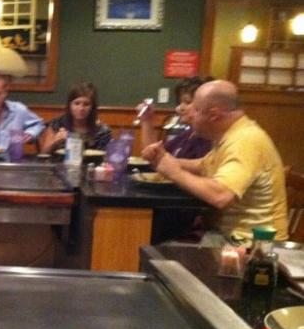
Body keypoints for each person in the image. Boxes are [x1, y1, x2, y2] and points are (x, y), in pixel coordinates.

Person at [142, 80, 289, 244]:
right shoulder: (233, 134)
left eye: (196, 109)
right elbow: (203, 165)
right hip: (226, 236)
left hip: (251, 244)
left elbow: (221, 196)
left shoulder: (245, 140)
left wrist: (174, 172)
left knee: (153, 246)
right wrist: (164, 159)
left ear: (214, 114)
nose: (190, 115)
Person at [136, 76, 212, 159]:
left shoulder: (209, 140)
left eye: (187, 102)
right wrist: (146, 119)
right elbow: (153, 155)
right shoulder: (187, 135)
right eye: (180, 102)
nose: (180, 108)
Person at [39, 82, 112, 154]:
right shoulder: (57, 124)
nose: (81, 108)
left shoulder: (102, 131)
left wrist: (71, 138)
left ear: (92, 107)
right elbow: (43, 153)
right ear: (70, 105)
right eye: (76, 103)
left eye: (86, 104)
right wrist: (55, 142)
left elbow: (106, 157)